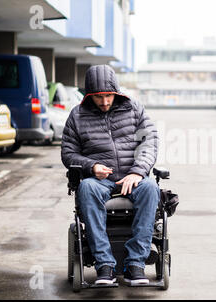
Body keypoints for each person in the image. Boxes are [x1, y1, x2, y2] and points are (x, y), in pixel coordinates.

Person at [61, 64, 160, 286]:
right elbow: (68, 153)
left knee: (151, 188)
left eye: (108, 96)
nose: (104, 102)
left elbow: (150, 141)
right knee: (86, 188)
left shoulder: (134, 109)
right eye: (98, 97)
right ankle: (104, 264)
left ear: (116, 92)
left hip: (132, 177)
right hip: (99, 180)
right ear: (89, 95)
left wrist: (137, 171)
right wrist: (91, 166)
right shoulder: (77, 116)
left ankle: (136, 263)